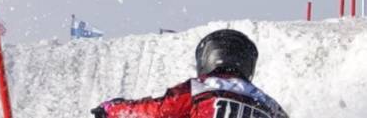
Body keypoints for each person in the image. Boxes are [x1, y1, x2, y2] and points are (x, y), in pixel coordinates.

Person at [92, 29, 289, 118]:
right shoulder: (269, 105)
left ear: (207, 58)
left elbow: (157, 111)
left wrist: (112, 109)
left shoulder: (200, 89)